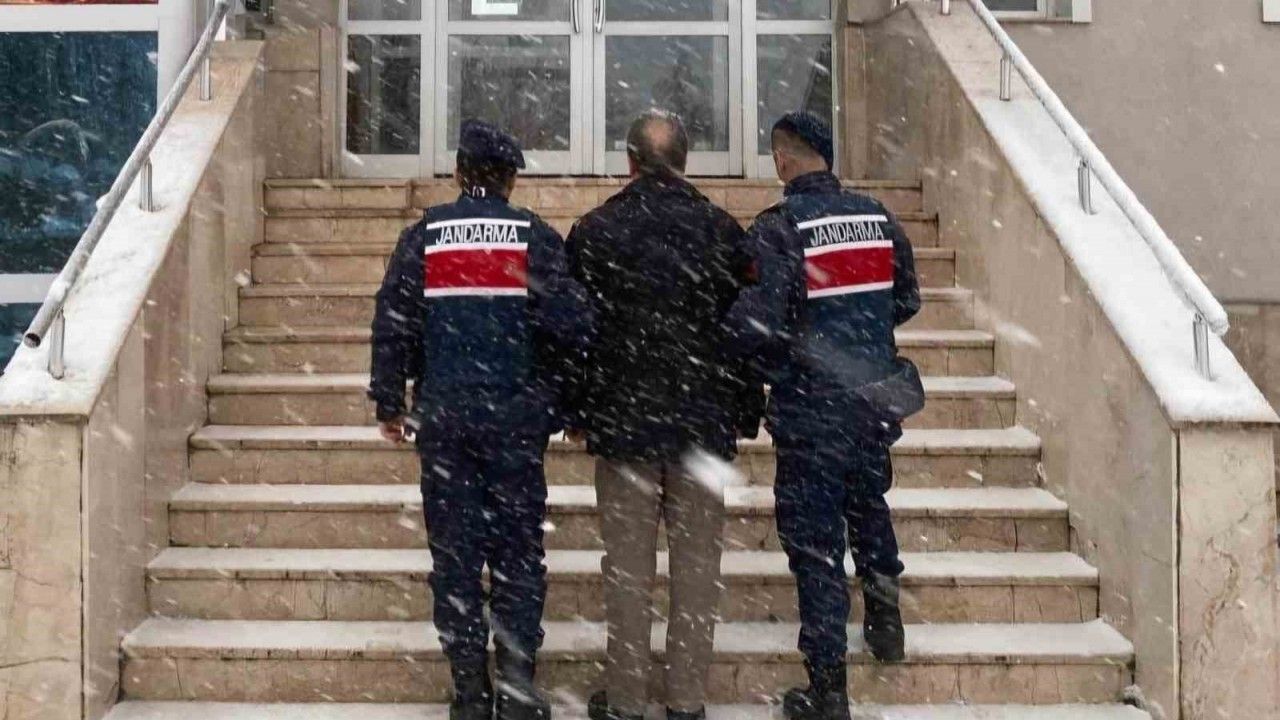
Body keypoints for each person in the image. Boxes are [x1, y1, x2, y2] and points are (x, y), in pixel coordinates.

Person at [368, 119, 592, 720]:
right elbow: (572, 328)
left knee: (455, 556)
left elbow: (392, 321)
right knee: (518, 554)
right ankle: (517, 688)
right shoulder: (532, 236)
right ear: (510, 179)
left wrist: (390, 401)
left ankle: (470, 690)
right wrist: (562, 404)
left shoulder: (424, 236)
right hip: (514, 421)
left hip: (444, 419)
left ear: (458, 173)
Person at [723, 111, 923, 720]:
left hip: (811, 412)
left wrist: (773, 358)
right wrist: (858, 338)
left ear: (782, 159)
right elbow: (906, 299)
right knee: (869, 507)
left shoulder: (781, 228)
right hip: (871, 403)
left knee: (815, 548)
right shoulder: (877, 217)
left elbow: (755, 323)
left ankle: (828, 686)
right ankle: (886, 623)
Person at [565, 110, 762, 720]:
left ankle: (625, 699)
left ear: (629, 160)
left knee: (627, 571)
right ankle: (685, 701)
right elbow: (747, 329)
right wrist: (742, 410)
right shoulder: (723, 230)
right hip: (701, 424)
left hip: (625, 423)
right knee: (698, 569)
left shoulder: (596, 230)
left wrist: (577, 406)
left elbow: (576, 329)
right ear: (685, 160)